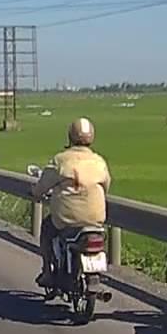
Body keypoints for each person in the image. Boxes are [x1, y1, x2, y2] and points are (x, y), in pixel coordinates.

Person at [30, 117, 112, 288]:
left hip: (67, 220)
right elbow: (106, 186)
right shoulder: (99, 162)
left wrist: (35, 193)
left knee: (47, 228)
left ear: (70, 136)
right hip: (95, 220)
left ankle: (47, 272)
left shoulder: (61, 160)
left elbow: (42, 186)